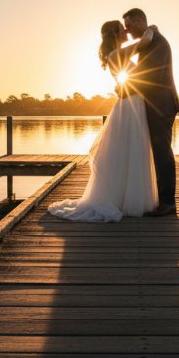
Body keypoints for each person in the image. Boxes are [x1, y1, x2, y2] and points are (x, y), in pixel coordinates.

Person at [47, 21, 160, 222]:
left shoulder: (114, 53)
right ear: (115, 33)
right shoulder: (117, 54)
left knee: (129, 151)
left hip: (131, 102)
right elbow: (146, 41)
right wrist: (152, 28)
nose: (126, 31)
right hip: (130, 105)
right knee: (131, 150)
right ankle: (126, 200)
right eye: (122, 28)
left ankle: (126, 197)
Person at [122, 7, 179, 217]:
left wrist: (125, 85)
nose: (128, 32)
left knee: (163, 153)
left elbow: (151, 74)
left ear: (139, 21)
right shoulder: (150, 40)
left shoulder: (157, 42)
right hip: (156, 103)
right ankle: (162, 199)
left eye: (129, 27)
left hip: (162, 104)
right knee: (159, 152)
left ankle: (168, 203)